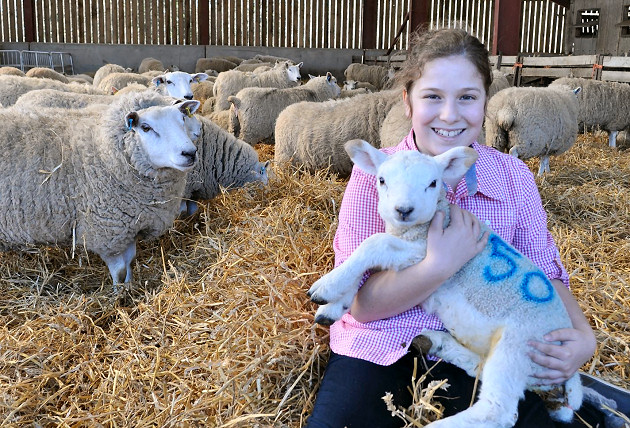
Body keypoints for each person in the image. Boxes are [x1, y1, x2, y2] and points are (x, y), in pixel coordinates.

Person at [305, 27, 607, 428]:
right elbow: (362, 307)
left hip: (481, 341)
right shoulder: (375, 175)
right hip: (383, 342)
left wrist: (584, 337)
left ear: (485, 102)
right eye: (432, 96)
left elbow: (545, 275)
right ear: (408, 102)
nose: (449, 115)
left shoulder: (514, 177)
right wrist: (438, 265)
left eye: (467, 97)